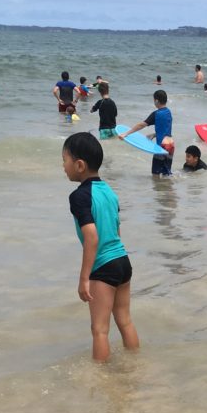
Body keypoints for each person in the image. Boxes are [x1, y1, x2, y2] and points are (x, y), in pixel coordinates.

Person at [61, 132, 140, 362]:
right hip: (123, 262)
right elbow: (116, 230)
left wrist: (84, 278)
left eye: (64, 160)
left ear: (79, 165)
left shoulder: (79, 197)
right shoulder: (109, 191)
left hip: (103, 267)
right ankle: (135, 364)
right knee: (125, 320)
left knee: (99, 330)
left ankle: (102, 380)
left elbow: (92, 237)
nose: (63, 166)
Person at [119, 90, 174, 176]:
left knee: (155, 174)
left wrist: (126, 133)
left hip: (161, 146)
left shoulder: (156, 114)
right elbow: (166, 129)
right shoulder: (168, 112)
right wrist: (155, 134)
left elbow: (141, 125)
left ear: (156, 100)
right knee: (166, 174)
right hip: (170, 145)